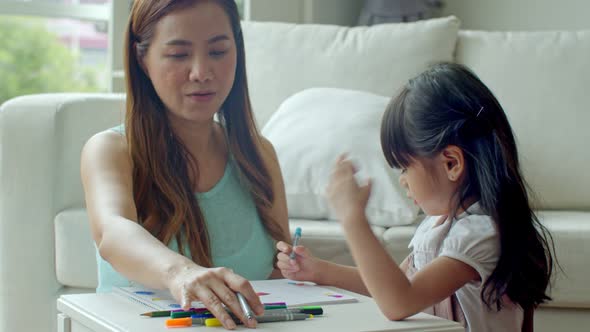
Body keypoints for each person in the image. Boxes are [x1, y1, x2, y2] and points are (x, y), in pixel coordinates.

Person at [276, 63, 555, 331]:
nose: (402, 180)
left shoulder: (479, 234)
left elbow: (399, 300)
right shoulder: (439, 225)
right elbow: (391, 284)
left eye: (405, 166)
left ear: (451, 163)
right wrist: (318, 271)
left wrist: (353, 218)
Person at [81, 0, 290, 329]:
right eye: (179, 55)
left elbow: (281, 280)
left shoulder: (260, 155)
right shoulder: (111, 150)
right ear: (142, 59)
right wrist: (181, 272)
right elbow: (112, 231)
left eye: (219, 51)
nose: (201, 72)